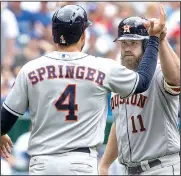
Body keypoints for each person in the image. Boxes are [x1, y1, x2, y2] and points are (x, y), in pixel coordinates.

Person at [1, 4, 165, 175]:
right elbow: (143, 82)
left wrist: (2, 132)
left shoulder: (30, 69)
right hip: (80, 163)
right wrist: (153, 39)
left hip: (42, 163)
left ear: (54, 35)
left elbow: (4, 120)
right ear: (83, 35)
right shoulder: (102, 66)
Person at [100, 11, 180, 176]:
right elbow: (120, 123)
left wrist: (160, 38)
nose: (127, 49)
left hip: (161, 167)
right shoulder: (121, 78)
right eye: (124, 44)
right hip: (128, 170)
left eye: (133, 43)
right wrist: (105, 164)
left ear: (146, 44)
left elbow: (177, 78)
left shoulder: (159, 70)